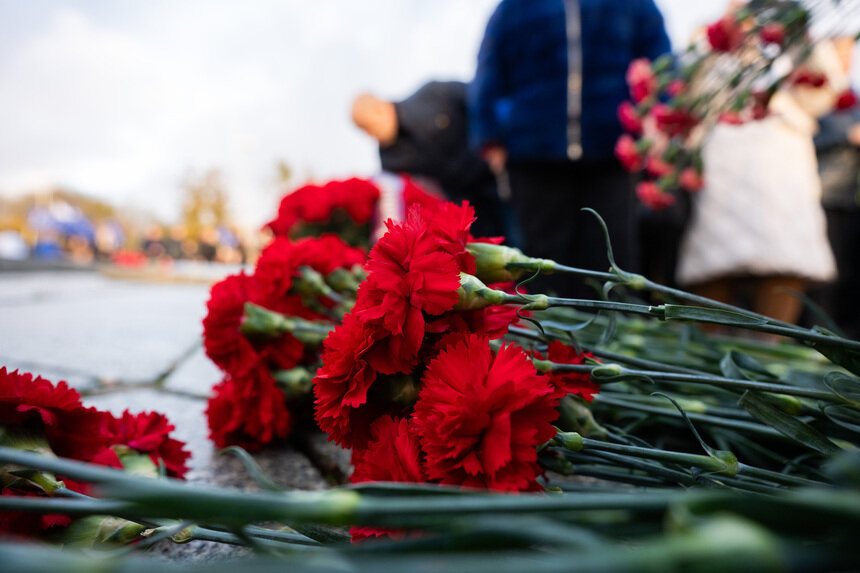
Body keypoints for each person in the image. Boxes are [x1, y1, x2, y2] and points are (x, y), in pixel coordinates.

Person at [469, 0, 671, 297]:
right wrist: (491, 139)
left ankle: (618, 339)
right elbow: (488, 71)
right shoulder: (512, 8)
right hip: (534, 154)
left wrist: (662, 115)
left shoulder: (634, 4)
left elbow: (660, 59)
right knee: (544, 265)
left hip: (613, 152)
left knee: (614, 260)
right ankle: (553, 340)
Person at [676, 39, 846, 331]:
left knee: (785, 259)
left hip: (782, 159)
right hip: (725, 160)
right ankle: (705, 351)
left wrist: (799, 42)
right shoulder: (710, 39)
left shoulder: (797, 38)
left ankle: (772, 352)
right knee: (713, 262)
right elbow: (690, 99)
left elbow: (823, 96)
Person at [351, 82, 516, 242]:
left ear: (380, 108)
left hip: (500, 177)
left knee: (524, 243)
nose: (370, 135)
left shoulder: (433, 94)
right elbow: (395, 202)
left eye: (369, 127)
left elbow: (480, 101)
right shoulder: (389, 158)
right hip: (468, 207)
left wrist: (495, 143)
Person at [812, 37, 860, 338]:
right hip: (824, 194)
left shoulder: (852, 95)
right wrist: (848, 134)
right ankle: (817, 332)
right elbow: (812, 136)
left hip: (850, 199)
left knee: (847, 273)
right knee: (823, 274)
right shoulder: (818, 93)